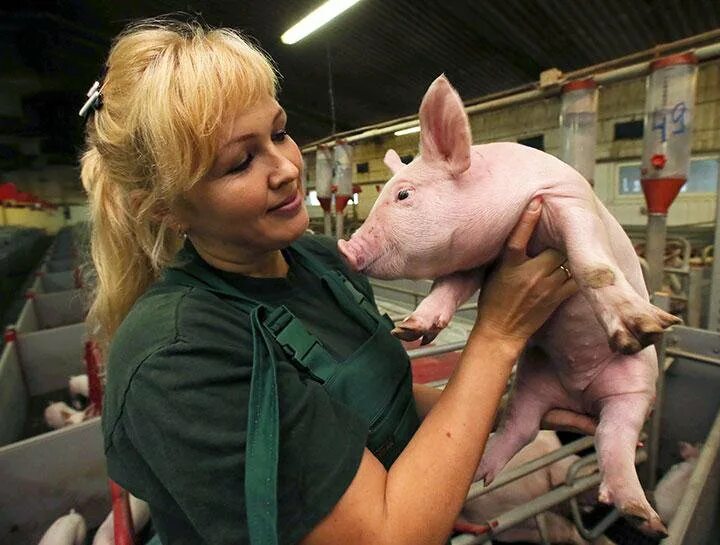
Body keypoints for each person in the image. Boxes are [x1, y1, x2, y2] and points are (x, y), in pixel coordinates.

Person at [82, 18, 579, 545]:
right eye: (240, 162)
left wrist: (517, 405)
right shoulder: (178, 355)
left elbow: (385, 410)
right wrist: (496, 338)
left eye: (278, 133)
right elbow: (385, 537)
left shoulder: (319, 262)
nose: (286, 168)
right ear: (164, 208)